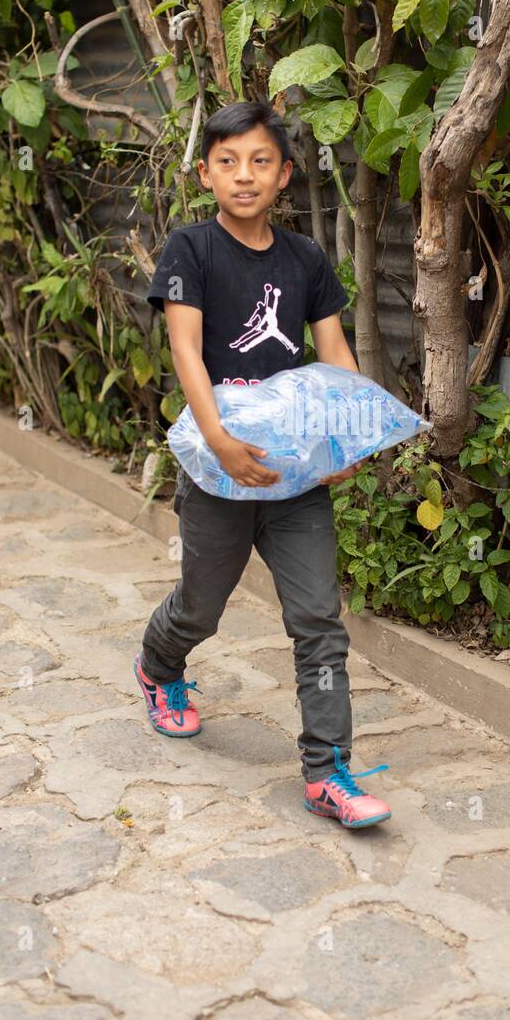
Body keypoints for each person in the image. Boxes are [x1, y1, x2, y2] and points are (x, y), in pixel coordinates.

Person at [134, 100, 391, 829]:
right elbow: (186, 348)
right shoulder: (191, 250)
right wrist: (216, 439)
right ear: (206, 172)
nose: (244, 176)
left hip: (295, 478)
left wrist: (344, 440)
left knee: (318, 620)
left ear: (283, 175)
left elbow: (334, 353)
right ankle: (160, 668)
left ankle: (327, 773)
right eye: (227, 162)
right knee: (200, 608)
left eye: (260, 162)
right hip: (218, 469)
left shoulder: (306, 259)